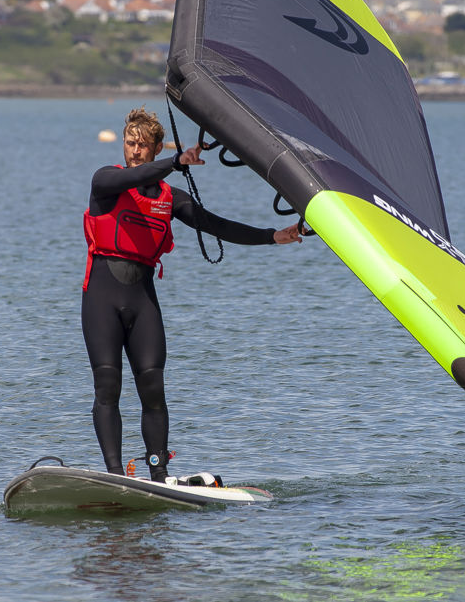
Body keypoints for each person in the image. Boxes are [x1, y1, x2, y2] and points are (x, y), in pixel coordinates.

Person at [82, 106, 303, 482]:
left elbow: (216, 224)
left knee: (153, 386)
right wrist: (175, 161)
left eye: (142, 145)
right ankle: (116, 474)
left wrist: (272, 236)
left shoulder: (170, 198)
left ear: (154, 147)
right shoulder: (106, 181)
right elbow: (138, 176)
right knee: (108, 385)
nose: (134, 151)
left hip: (143, 300)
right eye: (130, 143)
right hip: (102, 297)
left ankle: (158, 473)